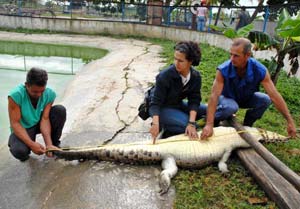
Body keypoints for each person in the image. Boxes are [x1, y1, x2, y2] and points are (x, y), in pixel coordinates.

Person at [201, 38, 297, 140]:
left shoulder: (260, 70)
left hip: (246, 98)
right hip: (226, 98)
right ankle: (214, 119)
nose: (232, 59)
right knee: (231, 107)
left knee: (265, 99)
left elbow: (274, 96)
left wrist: (290, 121)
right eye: (231, 54)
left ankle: (247, 125)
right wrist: (209, 124)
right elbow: (214, 96)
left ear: (247, 55)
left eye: (236, 56)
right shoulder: (223, 69)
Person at [149, 41, 207, 144]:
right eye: (175, 59)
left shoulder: (195, 77)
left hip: (177, 104)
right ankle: (167, 126)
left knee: (211, 111)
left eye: (180, 60)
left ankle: (183, 121)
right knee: (186, 126)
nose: (176, 63)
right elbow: (155, 103)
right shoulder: (165, 76)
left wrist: (192, 122)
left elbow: (194, 99)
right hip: (162, 108)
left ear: (190, 61)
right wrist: (155, 124)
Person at [8, 67, 66, 161]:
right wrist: (32, 144)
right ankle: (26, 153)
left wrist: (48, 145)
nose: (39, 94)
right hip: (24, 128)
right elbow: (15, 123)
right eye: (35, 92)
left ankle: (54, 145)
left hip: (38, 123)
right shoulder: (15, 96)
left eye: (41, 91)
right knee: (19, 151)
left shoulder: (49, 94)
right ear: (27, 85)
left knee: (60, 110)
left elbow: (45, 119)